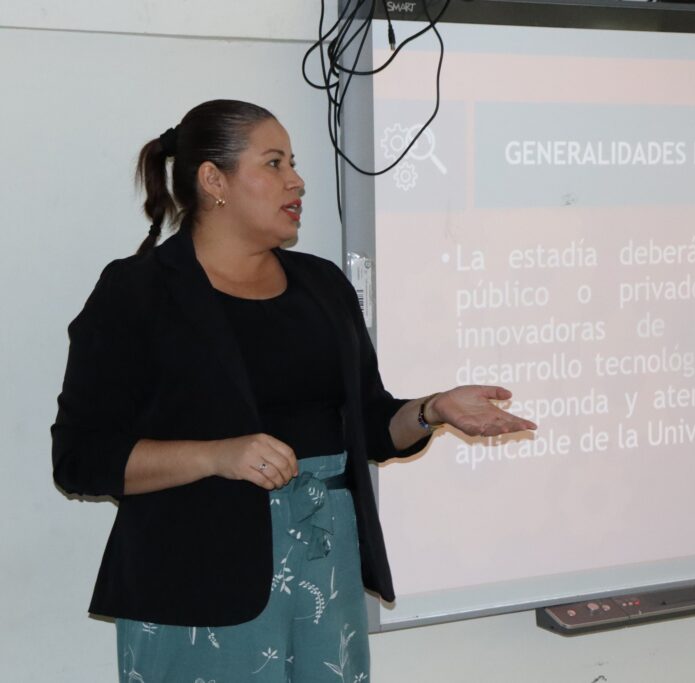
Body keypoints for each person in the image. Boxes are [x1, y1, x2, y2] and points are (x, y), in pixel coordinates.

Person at [51, 99, 536, 683]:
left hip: (324, 570)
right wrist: (218, 456)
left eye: (293, 163)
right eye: (274, 163)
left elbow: (371, 423)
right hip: (196, 582)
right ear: (214, 181)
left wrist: (432, 410)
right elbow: (81, 459)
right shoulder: (137, 291)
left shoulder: (322, 285)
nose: (296, 181)